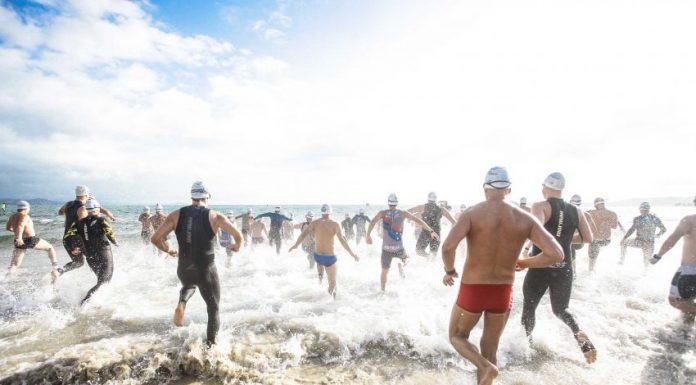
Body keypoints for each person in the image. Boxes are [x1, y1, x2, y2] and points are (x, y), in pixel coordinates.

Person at [441, 167, 563, 385]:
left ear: (485, 189)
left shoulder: (471, 213)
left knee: (456, 337)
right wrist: (524, 263)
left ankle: (485, 367)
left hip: (473, 289)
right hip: (503, 292)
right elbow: (556, 254)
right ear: (509, 189)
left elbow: (448, 247)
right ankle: (487, 368)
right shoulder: (525, 218)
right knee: (490, 347)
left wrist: (449, 271)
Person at [150, 181, 242, 346]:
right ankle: (211, 348)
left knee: (189, 285)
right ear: (207, 197)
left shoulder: (176, 214)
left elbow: (155, 239)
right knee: (213, 309)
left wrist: (168, 250)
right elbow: (238, 236)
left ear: (192, 196)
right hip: (206, 270)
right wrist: (237, 246)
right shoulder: (215, 216)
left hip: (184, 269)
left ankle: (182, 302)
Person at [521, 172, 596, 364]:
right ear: (562, 190)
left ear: (544, 187)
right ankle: (578, 332)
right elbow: (588, 238)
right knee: (561, 309)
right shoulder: (576, 210)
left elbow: (534, 231)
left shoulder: (540, 206)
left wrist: (525, 251)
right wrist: (563, 239)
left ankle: (526, 348)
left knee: (529, 307)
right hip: (565, 266)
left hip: (541, 264)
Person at [366, 194, 439, 292]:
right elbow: (419, 221)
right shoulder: (403, 213)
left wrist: (368, 235)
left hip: (386, 249)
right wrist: (431, 231)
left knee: (384, 271)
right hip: (398, 248)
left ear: (388, 203)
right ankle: (401, 264)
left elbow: (372, 222)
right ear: (397, 203)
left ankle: (382, 291)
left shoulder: (382, 213)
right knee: (407, 259)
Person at [289, 204, 359, 298]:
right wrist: (353, 254)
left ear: (321, 212)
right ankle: (331, 303)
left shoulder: (314, 223)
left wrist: (295, 245)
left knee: (321, 276)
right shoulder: (334, 224)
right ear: (330, 212)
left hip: (318, 257)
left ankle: (320, 288)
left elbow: (303, 235)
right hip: (329, 258)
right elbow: (342, 241)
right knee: (333, 283)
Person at [649, 195, 696, 325]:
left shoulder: (690, 220)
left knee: (675, 300)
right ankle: (686, 334)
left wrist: (658, 256)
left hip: (690, 271)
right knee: (689, 303)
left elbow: (672, 239)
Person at [64, 199, 118, 305]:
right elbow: (109, 233)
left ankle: (98, 303)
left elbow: (67, 237)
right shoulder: (102, 220)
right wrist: (115, 242)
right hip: (103, 253)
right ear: (97, 209)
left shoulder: (78, 223)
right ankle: (84, 303)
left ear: (87, 210)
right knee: (105, 280)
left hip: (90, 255)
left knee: (100, 280)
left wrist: (72, 249)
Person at [57, 185, 115, 275]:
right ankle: (102, 280)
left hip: (66, 239)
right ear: (86, 194)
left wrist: (69, 217)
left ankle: (58, 272)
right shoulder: (83, 209)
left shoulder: (68, 204)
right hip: (76, 240)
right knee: (92, 256)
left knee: (78, 263)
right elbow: (83, 227)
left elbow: (60, 212)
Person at [6, 201, 60, 283]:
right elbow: (21, 225)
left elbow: (8, 228)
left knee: (15, 265)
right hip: (30, 239)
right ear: (26, 208)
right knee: (50, 247)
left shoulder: (12, 216)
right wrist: (19, 237)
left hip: (19, 241)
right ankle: (55, 267)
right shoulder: (25, 216)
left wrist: (17, 236)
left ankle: (6, 280)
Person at [620, 202, 667, 267]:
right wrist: (658, 235)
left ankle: (621, 260)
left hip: (640, 242)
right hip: (648, 243)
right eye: (643, 210)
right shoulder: (654, 218)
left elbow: (632, 230)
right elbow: (663, 229)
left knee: (624, 243)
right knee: (647, 262)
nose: (643, 211)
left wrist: (624, 238)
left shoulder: (638, 219)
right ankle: (622, 261)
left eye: (644, 210)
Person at [408, 192, 455, 256]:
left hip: (426, 232)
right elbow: (454, 222)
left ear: (428, 199)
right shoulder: (441, 209)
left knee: (419, 250)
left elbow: (408, 211)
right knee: (433, 254)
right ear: (436, 200)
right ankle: (431, 262)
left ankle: (427, 258)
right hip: (436, 233)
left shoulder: (422, 207)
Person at [586, 197, 624, 272]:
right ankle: (594, 263)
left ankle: (591, 273)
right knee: (596, 249)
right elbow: (614, 226)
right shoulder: (613, 213)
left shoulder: (591, 212)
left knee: (592, 259)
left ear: (595, 205)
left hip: (595, 241)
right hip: (607, 241)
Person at [569, 194, 597, 276]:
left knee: (569, 246)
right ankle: (577, 271)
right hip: (581, 242)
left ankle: (573, 272)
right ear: (580, 204)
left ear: (570, 202)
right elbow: (594, 230)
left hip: (571, 241)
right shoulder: (586, 215)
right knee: (571, 248)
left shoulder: (564, 214)